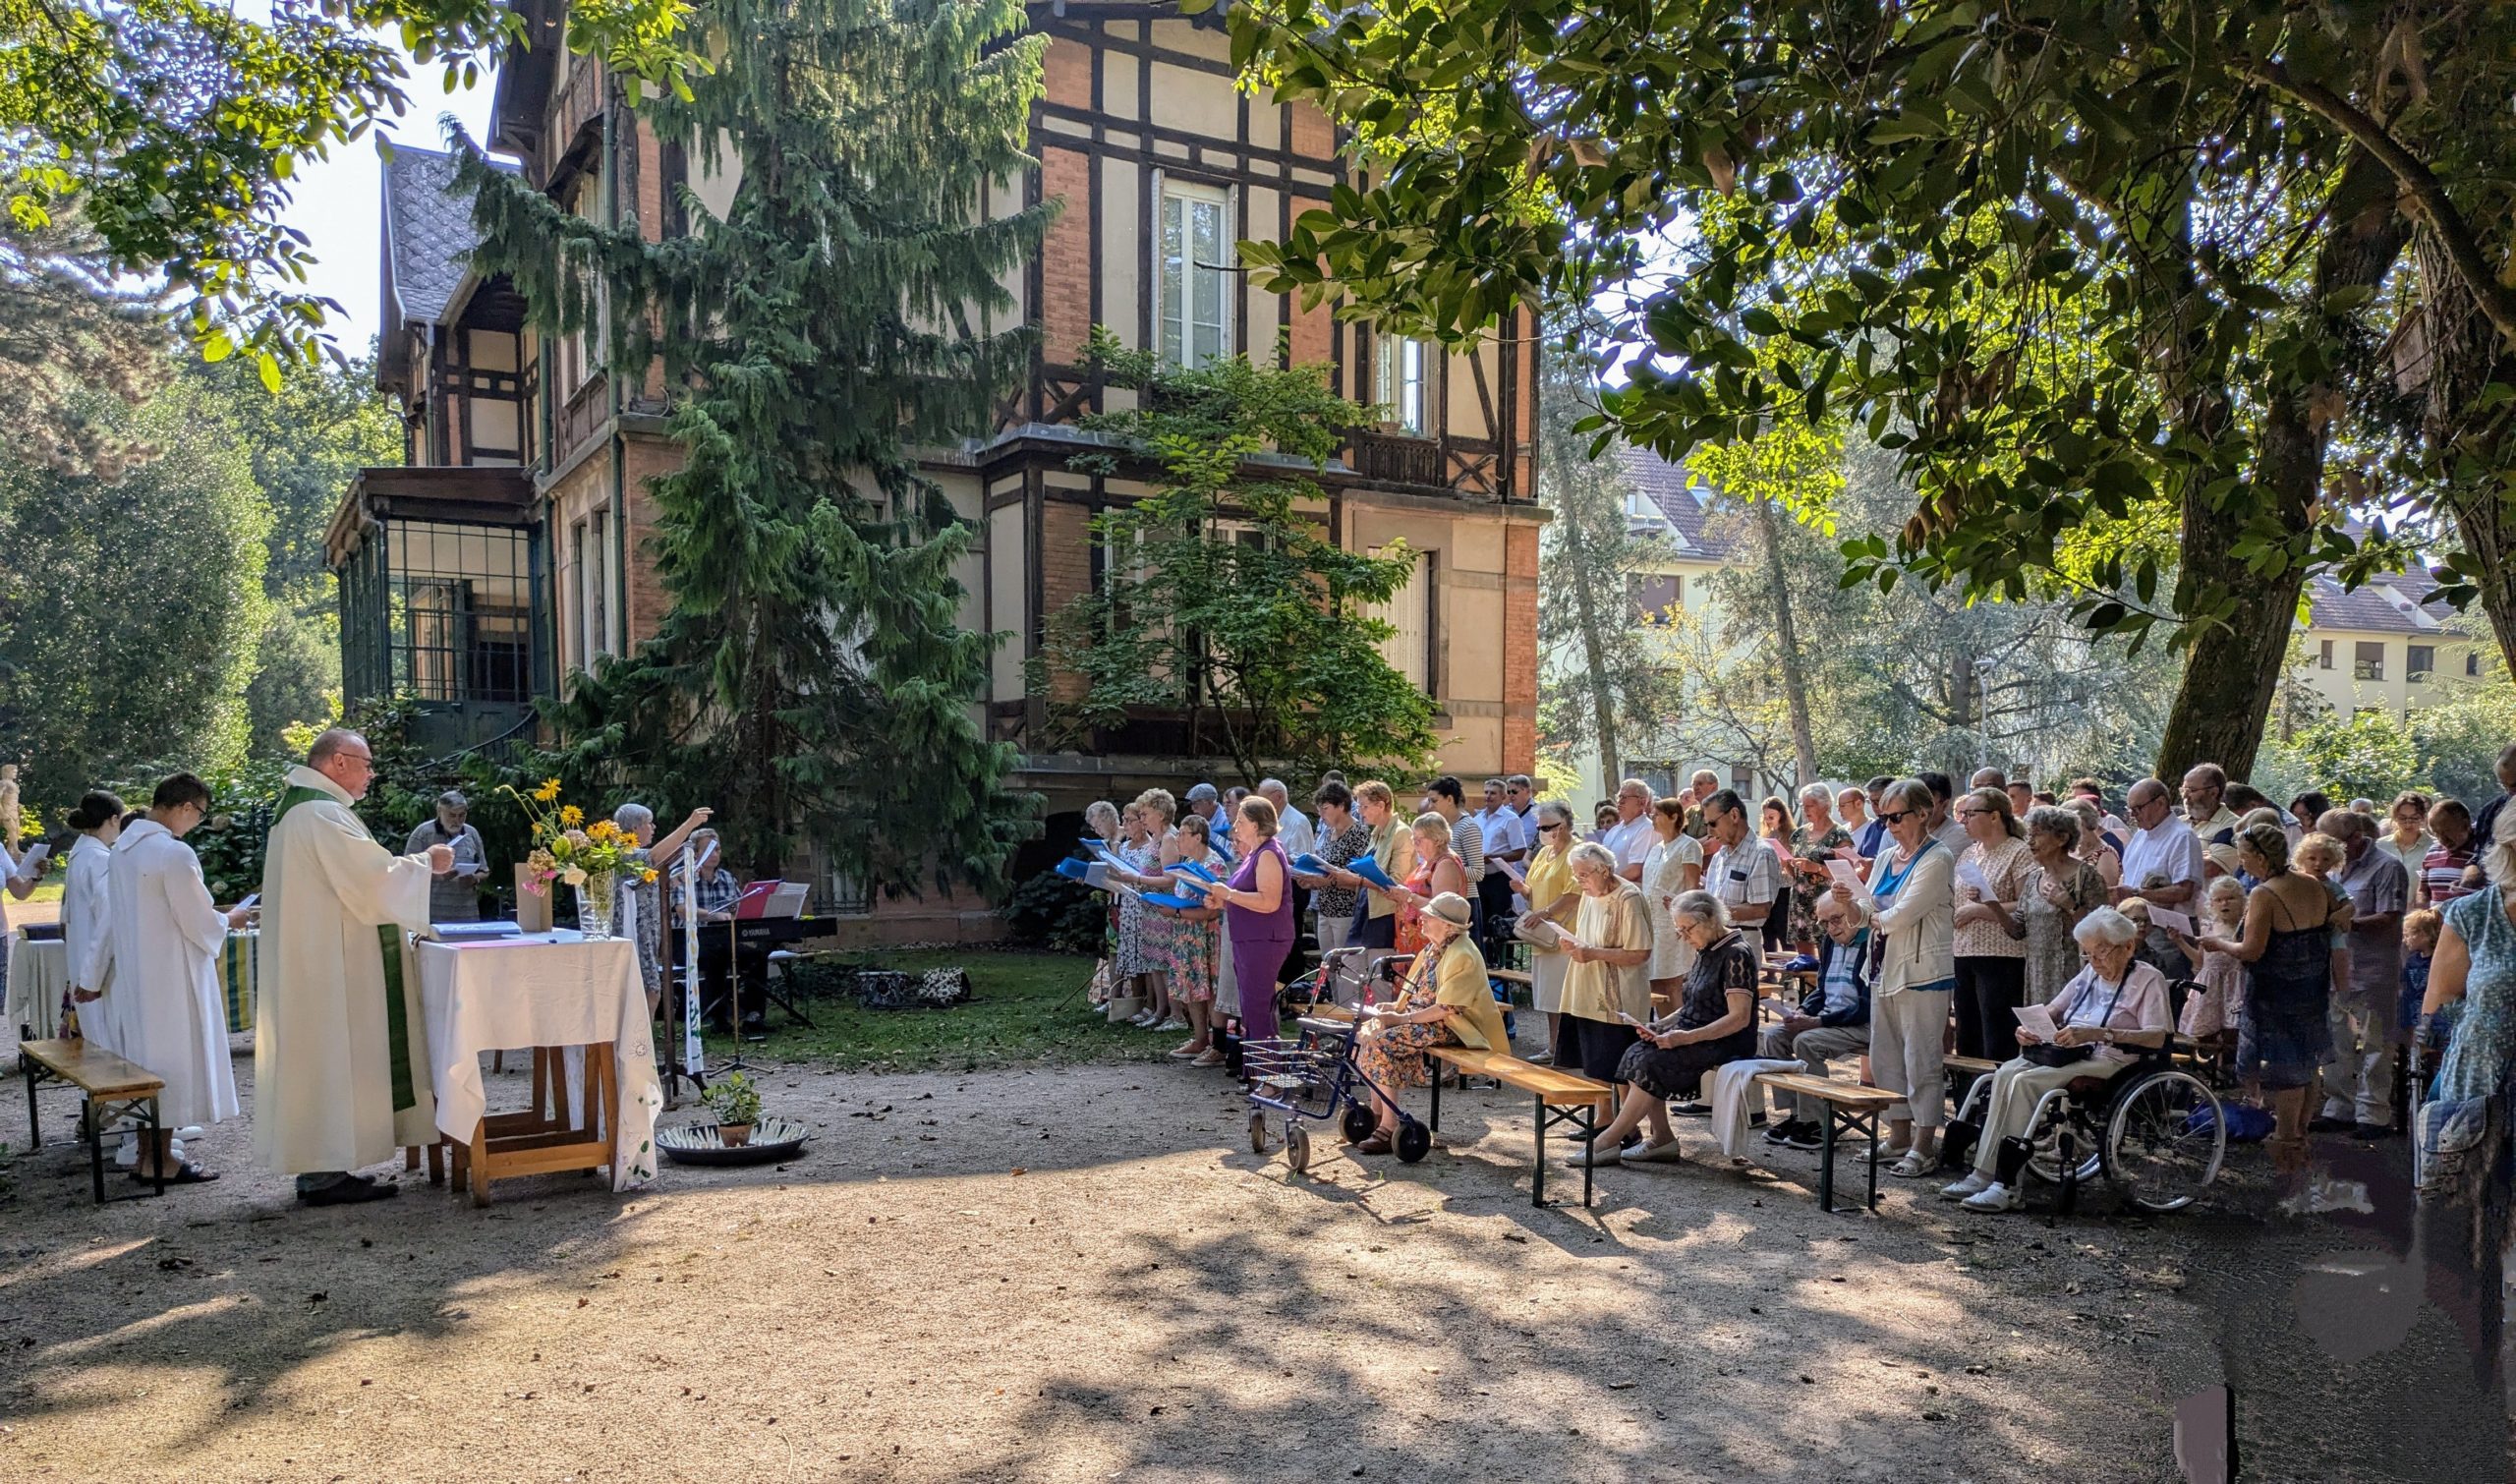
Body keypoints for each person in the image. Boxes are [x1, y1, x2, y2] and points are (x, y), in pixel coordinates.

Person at [256, 730, 455, 1205]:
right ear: (338, 762)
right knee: (329, 1059)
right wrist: (429, 861)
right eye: (366, 764)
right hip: (328, 965)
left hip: (317, 957)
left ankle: (324, 1169)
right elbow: (372, 881)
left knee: (322, 1063)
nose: (371, 773)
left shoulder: (303, 811)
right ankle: (322, 1174)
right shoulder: (319, 813)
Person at [1939, 906, 2173, 1212]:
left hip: (2112, 1059)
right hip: (2069, 1052)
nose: (2095, 961)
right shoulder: (2090, 972)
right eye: (2088, 953)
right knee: (2004, 1074)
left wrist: (2100, 1033)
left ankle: (2007, 1185)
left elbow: (2157, 1036)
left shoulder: (2148, 979)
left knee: (2024, 1082)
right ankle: (1983, 1172)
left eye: (2101, 952)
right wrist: (2029, 1027)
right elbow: (2054, 1008)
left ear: (2128, 946)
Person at [94, 774, 253, 1184]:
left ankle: (148, 1157)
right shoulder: (173, 854)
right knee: (171, 1068)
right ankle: (160, 1161)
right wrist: (228, 919)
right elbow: (198, 921)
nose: (197, 822)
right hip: (172, 979)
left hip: (139, 976)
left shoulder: (122, 851)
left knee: (149, 1064)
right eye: (198, 814)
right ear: (185, 807)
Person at [1570, 888, 1758, 1167]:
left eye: (1686, 928)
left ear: (1708, 919)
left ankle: (1607, 1141)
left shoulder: (1737, 954)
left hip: (1725, 1040)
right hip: (1696, 1033)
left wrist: (1684, 1038)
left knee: (1652, 1063)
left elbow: (1739, 1018)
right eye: (1679, 929)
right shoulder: (1706, 948)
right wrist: (1661, 1025)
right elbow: (1695, 1004)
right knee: (1637, 1052)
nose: (1683, 936)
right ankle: (1662, 1138)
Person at [2198, 822, 2334, 1203]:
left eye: (2243, 857)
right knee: (2308, 1062)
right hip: (2312, 984)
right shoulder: (2314, 884)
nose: (2242, 864)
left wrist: (2218, 942)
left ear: (2259, 857)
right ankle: (2300, 1139)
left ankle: (2288, 1155)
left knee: (2284, 1068)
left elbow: (2252, 950)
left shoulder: (2265, 894)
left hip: (2278, 989)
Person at [1832, 777, 1955, 1176]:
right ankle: (1898, 1135)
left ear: (1923, 813)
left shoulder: (1938, 858)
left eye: (1897, 816)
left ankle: (1924, 1144)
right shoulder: (1886, 856)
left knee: (1922, 1061)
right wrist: (1847, 900)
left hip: (1923, 974)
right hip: (1883, 968)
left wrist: (1863, 911)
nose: (1889, 825)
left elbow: (1901, 914)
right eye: (1884, 818)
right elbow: (1864, 913)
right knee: (1886, 1060)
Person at [1348, 892, 1509, 1154]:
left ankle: (1389, 1126)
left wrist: (1401, 1018)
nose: (1422, 917)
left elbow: (1447, 1008)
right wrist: (1392, 1009)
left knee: (1381, 1042)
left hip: (1454, 1026)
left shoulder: (1463, 953)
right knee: (1365, 1033)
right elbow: (1419, 994)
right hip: (1428, 1019)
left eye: (1430, 915)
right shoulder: (1434, 948)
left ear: (1448, 925)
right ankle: (1376, 1114)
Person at [2314, 809, 2407, 1138]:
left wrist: (2347, 922)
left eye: (2335, 844)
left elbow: (2390, 918)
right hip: (2337, 969)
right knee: (2336, 1041)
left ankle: (2373, 1115)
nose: (2329, 852)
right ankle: (2339, 1107)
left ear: (2356, 837)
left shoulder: (2387, 867)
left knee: (2376, 1044)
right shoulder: (2328, 869)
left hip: (2374, 969)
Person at [1759, 891, 1871, 1151]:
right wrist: (1801, 1011)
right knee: (1774, 1036)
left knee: (1806, 1040)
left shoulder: (1871, 944)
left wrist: (1818, 1022)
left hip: (1860, 1024)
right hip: (1830, 1018)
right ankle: (1797, 1116)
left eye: (1836, 920)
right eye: (1824, 922)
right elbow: (1821, 989)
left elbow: (1867, 1007)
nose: (1831, 929)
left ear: (1854, 913)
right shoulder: (1830, 942)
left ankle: (1819, 1123)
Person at [1552, 841, 1653, 1083]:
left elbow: (1640, 952)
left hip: (1618, 998)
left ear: (1605, 870)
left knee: (1621, 1068)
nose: (1580, 881)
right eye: (1576, 876)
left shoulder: (1628, 898)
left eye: (1584, 875)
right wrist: (1572, 945)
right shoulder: (1588, 894)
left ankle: (1624, 1120)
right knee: (1594, 1064)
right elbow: (1586, 938)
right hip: (1586, 991)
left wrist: (1593, 953)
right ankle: (1604, 1117)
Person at [1203, 794, 1293, 1054]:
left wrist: (1228, 894)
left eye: (1240, 821)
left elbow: (1269, 902)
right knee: (1251, 1008)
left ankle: (1270, 1075)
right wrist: (1221, 902)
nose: (1235, 827)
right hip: (1248, 938)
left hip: (1265, 940)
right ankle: (1258, 1072)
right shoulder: (1255, 854)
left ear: (1255, 824)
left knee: (1258, 1007)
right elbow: (1246, 897)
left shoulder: (1269, 854)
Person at [1998, 803, 2107, 1011]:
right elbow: (2017, 930)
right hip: (2037, 975)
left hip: (2073, 973)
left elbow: (2102, 931)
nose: (2030, 841)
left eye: (2037, 834)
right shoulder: (2034, 878)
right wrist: (1991, 904)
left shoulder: (2087, 877)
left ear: (2062, 838)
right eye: (2029, 835)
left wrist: (2069, 905)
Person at [1951, 787, 2033, 1060]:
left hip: (2001, 955)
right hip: (1964, 952)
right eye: (1962, 814)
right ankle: (1969, 1098)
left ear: (1995, 816)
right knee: (1967, 1032)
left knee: (1996, 1033)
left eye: (1970, 814)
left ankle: (1995, 1096)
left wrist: (1978, 910)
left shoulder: (2019, 852)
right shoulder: (1969, 854)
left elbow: (2026, 905)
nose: (1964, 820)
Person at [611, 802, 713, 1016]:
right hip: (633, 933)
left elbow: (648, 882)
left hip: (647, 933)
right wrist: (690, 824)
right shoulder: (623, 853)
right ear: (635, 827)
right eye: (649, 823)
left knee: (650, 990)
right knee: (649, 991)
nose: (653, 827)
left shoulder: (633, 854)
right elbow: (654, 857)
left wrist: (675, 878)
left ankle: (638, 1045)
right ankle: (637, 1047)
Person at [1149, 813, 1226, 1050]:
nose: (1178, 838)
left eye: (1183, 834)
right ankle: (1200, 1038)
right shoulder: (1189, 864)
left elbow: (1213, 910)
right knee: (1192, 989)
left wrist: (1178, 913)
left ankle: (1217, 1043)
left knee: (1210, 990)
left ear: (1198, 837)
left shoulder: (1214, 865)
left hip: (1207, 936)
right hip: (1186, 936)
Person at [2117, 777, 2204, 977]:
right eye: (2130, 809)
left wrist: (2138, 893)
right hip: (2136, 931)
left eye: (2138, 808)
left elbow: (2184, 891)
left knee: (2166, 991)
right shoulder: (2139, 836)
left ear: (2160, 803)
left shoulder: (2182, 837)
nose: (2132, 815)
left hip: (2168, 935)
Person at [60, 791, 126, 1051]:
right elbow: (108, 920)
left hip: (83, 958)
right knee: (111, 1044)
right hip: (100, 967)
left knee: (98, 1041)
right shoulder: (100, 859)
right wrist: (92, 978)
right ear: (112, 820)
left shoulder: (80, 855)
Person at [667, 828, 748, 1033]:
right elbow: (683, 910)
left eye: (718, 849)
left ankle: (754, 1014)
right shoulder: (682, 877)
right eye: (709, 850)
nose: (715, 854)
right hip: (688, 941)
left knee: (756, 955)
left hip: (723, 939)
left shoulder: (728, 878)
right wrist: (714, 915)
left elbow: (739, 908)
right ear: (695, 853)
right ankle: (717, 1017)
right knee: (715, 959)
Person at [1518, 801, 1579, 1058]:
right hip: (1540, 933)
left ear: (1563, 825)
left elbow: (1573, 893)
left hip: (1564, 931)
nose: (1542, 831)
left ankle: (1567, 1050)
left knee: (1564, 996)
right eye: (1539, 827)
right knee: (1547, 996)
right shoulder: (1544, 853)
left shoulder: (1577, 852)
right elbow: (1532, 888)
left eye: (1547, 827)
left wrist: (1545, 913)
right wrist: (1520, 889)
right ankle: (1553, 1046)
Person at [1300, 781, 1370, 979]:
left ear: (1341, 806)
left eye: (1325, 809)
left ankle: (1345, 1009)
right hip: (1325, 908)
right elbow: (1326, 869)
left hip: (1346, 911)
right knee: (1328, 970)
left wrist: (1327, 882)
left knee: (1347, 970)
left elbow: (1360, 878)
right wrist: (1312, 880)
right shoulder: (1329, 833)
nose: (1321, 815)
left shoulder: (1359, 834)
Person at [1640, 796, 1703, 1008]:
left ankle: (1681, 1032)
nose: (1652, 818)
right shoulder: (1656, 848)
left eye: (1657, 814)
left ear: (1673, 816)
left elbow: (1693, 886)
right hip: (1652, 924)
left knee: (1673, 982)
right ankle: (1663, 1031)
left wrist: (1682, 909)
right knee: (1654, 982)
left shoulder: (1689, 846)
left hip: (1674, 924)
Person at [2171, 876, 2251, 1042]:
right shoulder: (2208, 927)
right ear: (2212, 904)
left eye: (2230, 899)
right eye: (2219, 900)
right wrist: (2179, 941)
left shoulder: (2245, 927)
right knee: (2205, 1035)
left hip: (2235, 985)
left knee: (2233, 1034)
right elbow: (2200, 961)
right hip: (2209, 986)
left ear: (2242, 901)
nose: (2224, 904)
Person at [1380, 812, 1470, 957]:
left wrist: (1409, 897)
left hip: (1431, 942)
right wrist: (1399, 896)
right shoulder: (1427, 862)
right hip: (1412, 940)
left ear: (1438, 839)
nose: (1415, 845)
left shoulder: (1446, 864)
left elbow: (1442, 910)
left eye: (1419, 840)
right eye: (1413, 839)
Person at [1781, 782, 1854, 957]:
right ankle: (1808, 986)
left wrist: (1817, 868)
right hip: (1799, 902)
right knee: (1804, 961)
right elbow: (1796, 874)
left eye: (1810, 805)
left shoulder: (1840, 835)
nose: (1805, 810)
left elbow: (1847, 875)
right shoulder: (1798, 834)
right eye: (1803, 806)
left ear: (1826, 805)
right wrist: (1787, 865)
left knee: (1827, 955)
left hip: (1827, 903)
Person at [1698, 788, 1781, 939]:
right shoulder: (1719, 856)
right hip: (1715, 938)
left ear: (1734, 815)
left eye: (1712, 824)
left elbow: (1761, 909)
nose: (1709, 832)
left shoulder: (1761, 853)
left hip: (1742, 939)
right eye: (1706, 825)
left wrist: (1712, 913)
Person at [404, 790, 487, 924]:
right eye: (452, 815)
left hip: (468, 916)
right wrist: (439, 876)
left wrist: (475, 879)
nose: (457, 820)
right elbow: (407, 871)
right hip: (432, 917)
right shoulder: (422, 833)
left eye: (462, 815)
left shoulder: (471, 833)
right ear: (439, 811)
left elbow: (484, 870)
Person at [2180, 763, 2244, 878]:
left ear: (2213, 792)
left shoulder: (2233, 826)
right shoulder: (2178, 822)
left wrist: (2167, 855)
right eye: (2183, 790)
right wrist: (2196, 857)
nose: (2185, 796)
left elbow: (2210, 868)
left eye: (2192, 790)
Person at [2421, 798, 2479, 907]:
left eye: (2446, 831)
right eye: (2436, 834)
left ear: (2466, 825)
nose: (2442, 839)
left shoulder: (2482, 854)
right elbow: (2423, 891)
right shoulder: (2432, 852)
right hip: (2436, 923)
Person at [2063, 796, 2122, 891]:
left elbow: (2107, 896)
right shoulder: (2071, 851)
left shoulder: (2105, 855)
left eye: (2068, 825)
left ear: (2082, 823)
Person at [1601, 777, 1654, 882]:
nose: (1620, 801)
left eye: (1625, 797)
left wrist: (1607, 884)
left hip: (1628, 892)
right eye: (1619, 796)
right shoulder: (1614, 830)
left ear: (1642, 802)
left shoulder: (1646, 829)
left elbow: (1635, 870)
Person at [2377, 792, 2434, 884]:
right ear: (2394, 818)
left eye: (2414, 818)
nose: (2408, 824)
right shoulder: (2380, 846)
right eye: (2402, 818)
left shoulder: (2434, 847)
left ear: (2423, 817)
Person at [1256, 779, 1314, 858]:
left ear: (1278, 797)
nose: (1259, 805)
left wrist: (1268, 857)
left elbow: (1299, 859)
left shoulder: (1298, 822)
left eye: (1263, 800)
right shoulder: (1268, 820)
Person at [1921, 771, 1967, 856]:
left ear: (1945, 804)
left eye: (1926, 802)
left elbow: (1936, 866)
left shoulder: (1959, 833)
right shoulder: (1895, 828)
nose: (1918, 807)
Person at [1854, 776, 1894, 861]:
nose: (1874, 807)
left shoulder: (1902, 827)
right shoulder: (1873, 827)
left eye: (1877, 801)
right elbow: (1860, 857)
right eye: (1871, 802)